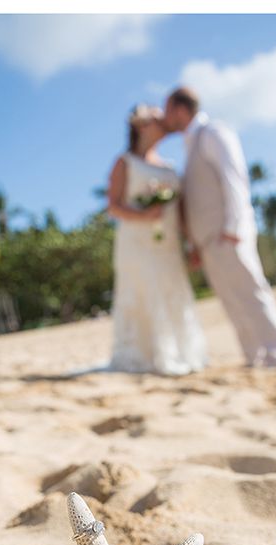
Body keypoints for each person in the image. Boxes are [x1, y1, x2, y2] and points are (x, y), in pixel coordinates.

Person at [164, 87, 276, 368]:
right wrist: (195, 244)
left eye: (168, 109)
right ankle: (253, 356)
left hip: (228, 233)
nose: (165, 116)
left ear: (180, 109)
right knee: (231, 300)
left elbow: (233, 177)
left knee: (252, 292)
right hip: (209, 241)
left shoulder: (213, 132)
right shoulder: (190, 145)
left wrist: (234, 226)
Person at [106, 104, 207, 376]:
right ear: (141, 125)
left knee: (173, 289)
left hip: (169, 243)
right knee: (143, 289)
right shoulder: (124, 162)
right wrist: (144, 216)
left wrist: (191, 243)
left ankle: (180, 351)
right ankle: (147, 355)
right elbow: (113, 206)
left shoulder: (170, 167)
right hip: (136, 241)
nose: (163, 123)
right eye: (156, 119)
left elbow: (181, 212)